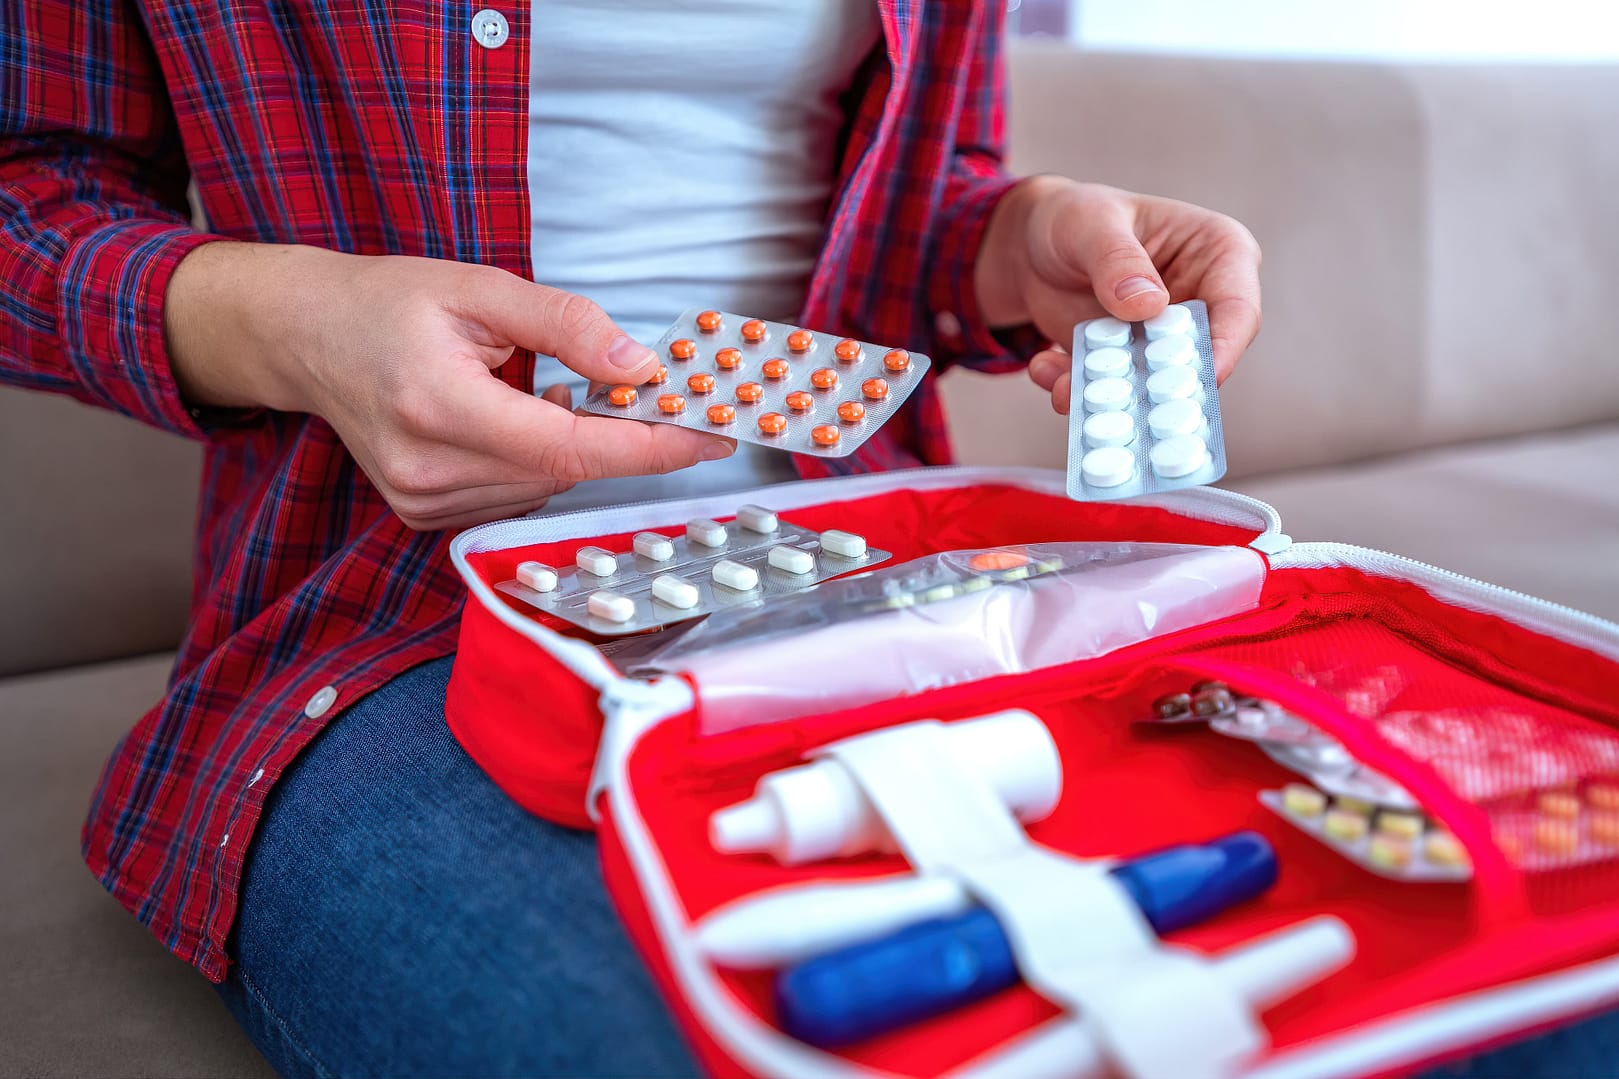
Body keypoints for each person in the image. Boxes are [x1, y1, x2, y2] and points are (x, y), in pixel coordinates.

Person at [1, 1, 1278, 1075]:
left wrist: (1011, 241)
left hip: (885, 562)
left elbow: (909, 196)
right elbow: (23, 194)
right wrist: (291, 322)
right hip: (401, 620)